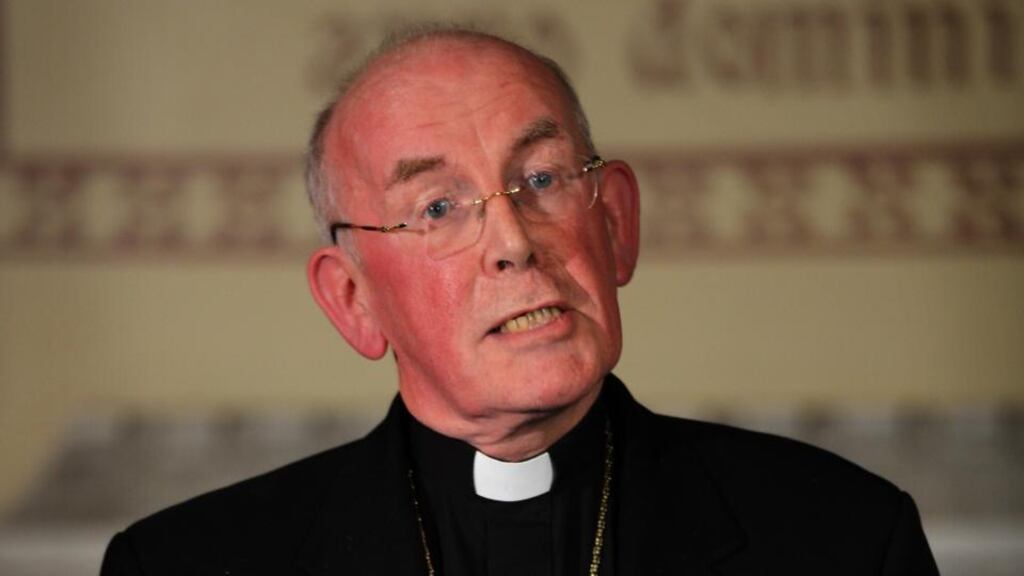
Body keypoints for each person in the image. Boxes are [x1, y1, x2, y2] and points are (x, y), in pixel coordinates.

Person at [100, 26, 939, 575]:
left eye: (540, 179)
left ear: (615, 225)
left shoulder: (845, 541)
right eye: (437, 207)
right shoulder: (184, 566)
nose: (513, 241)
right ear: (354, 302)